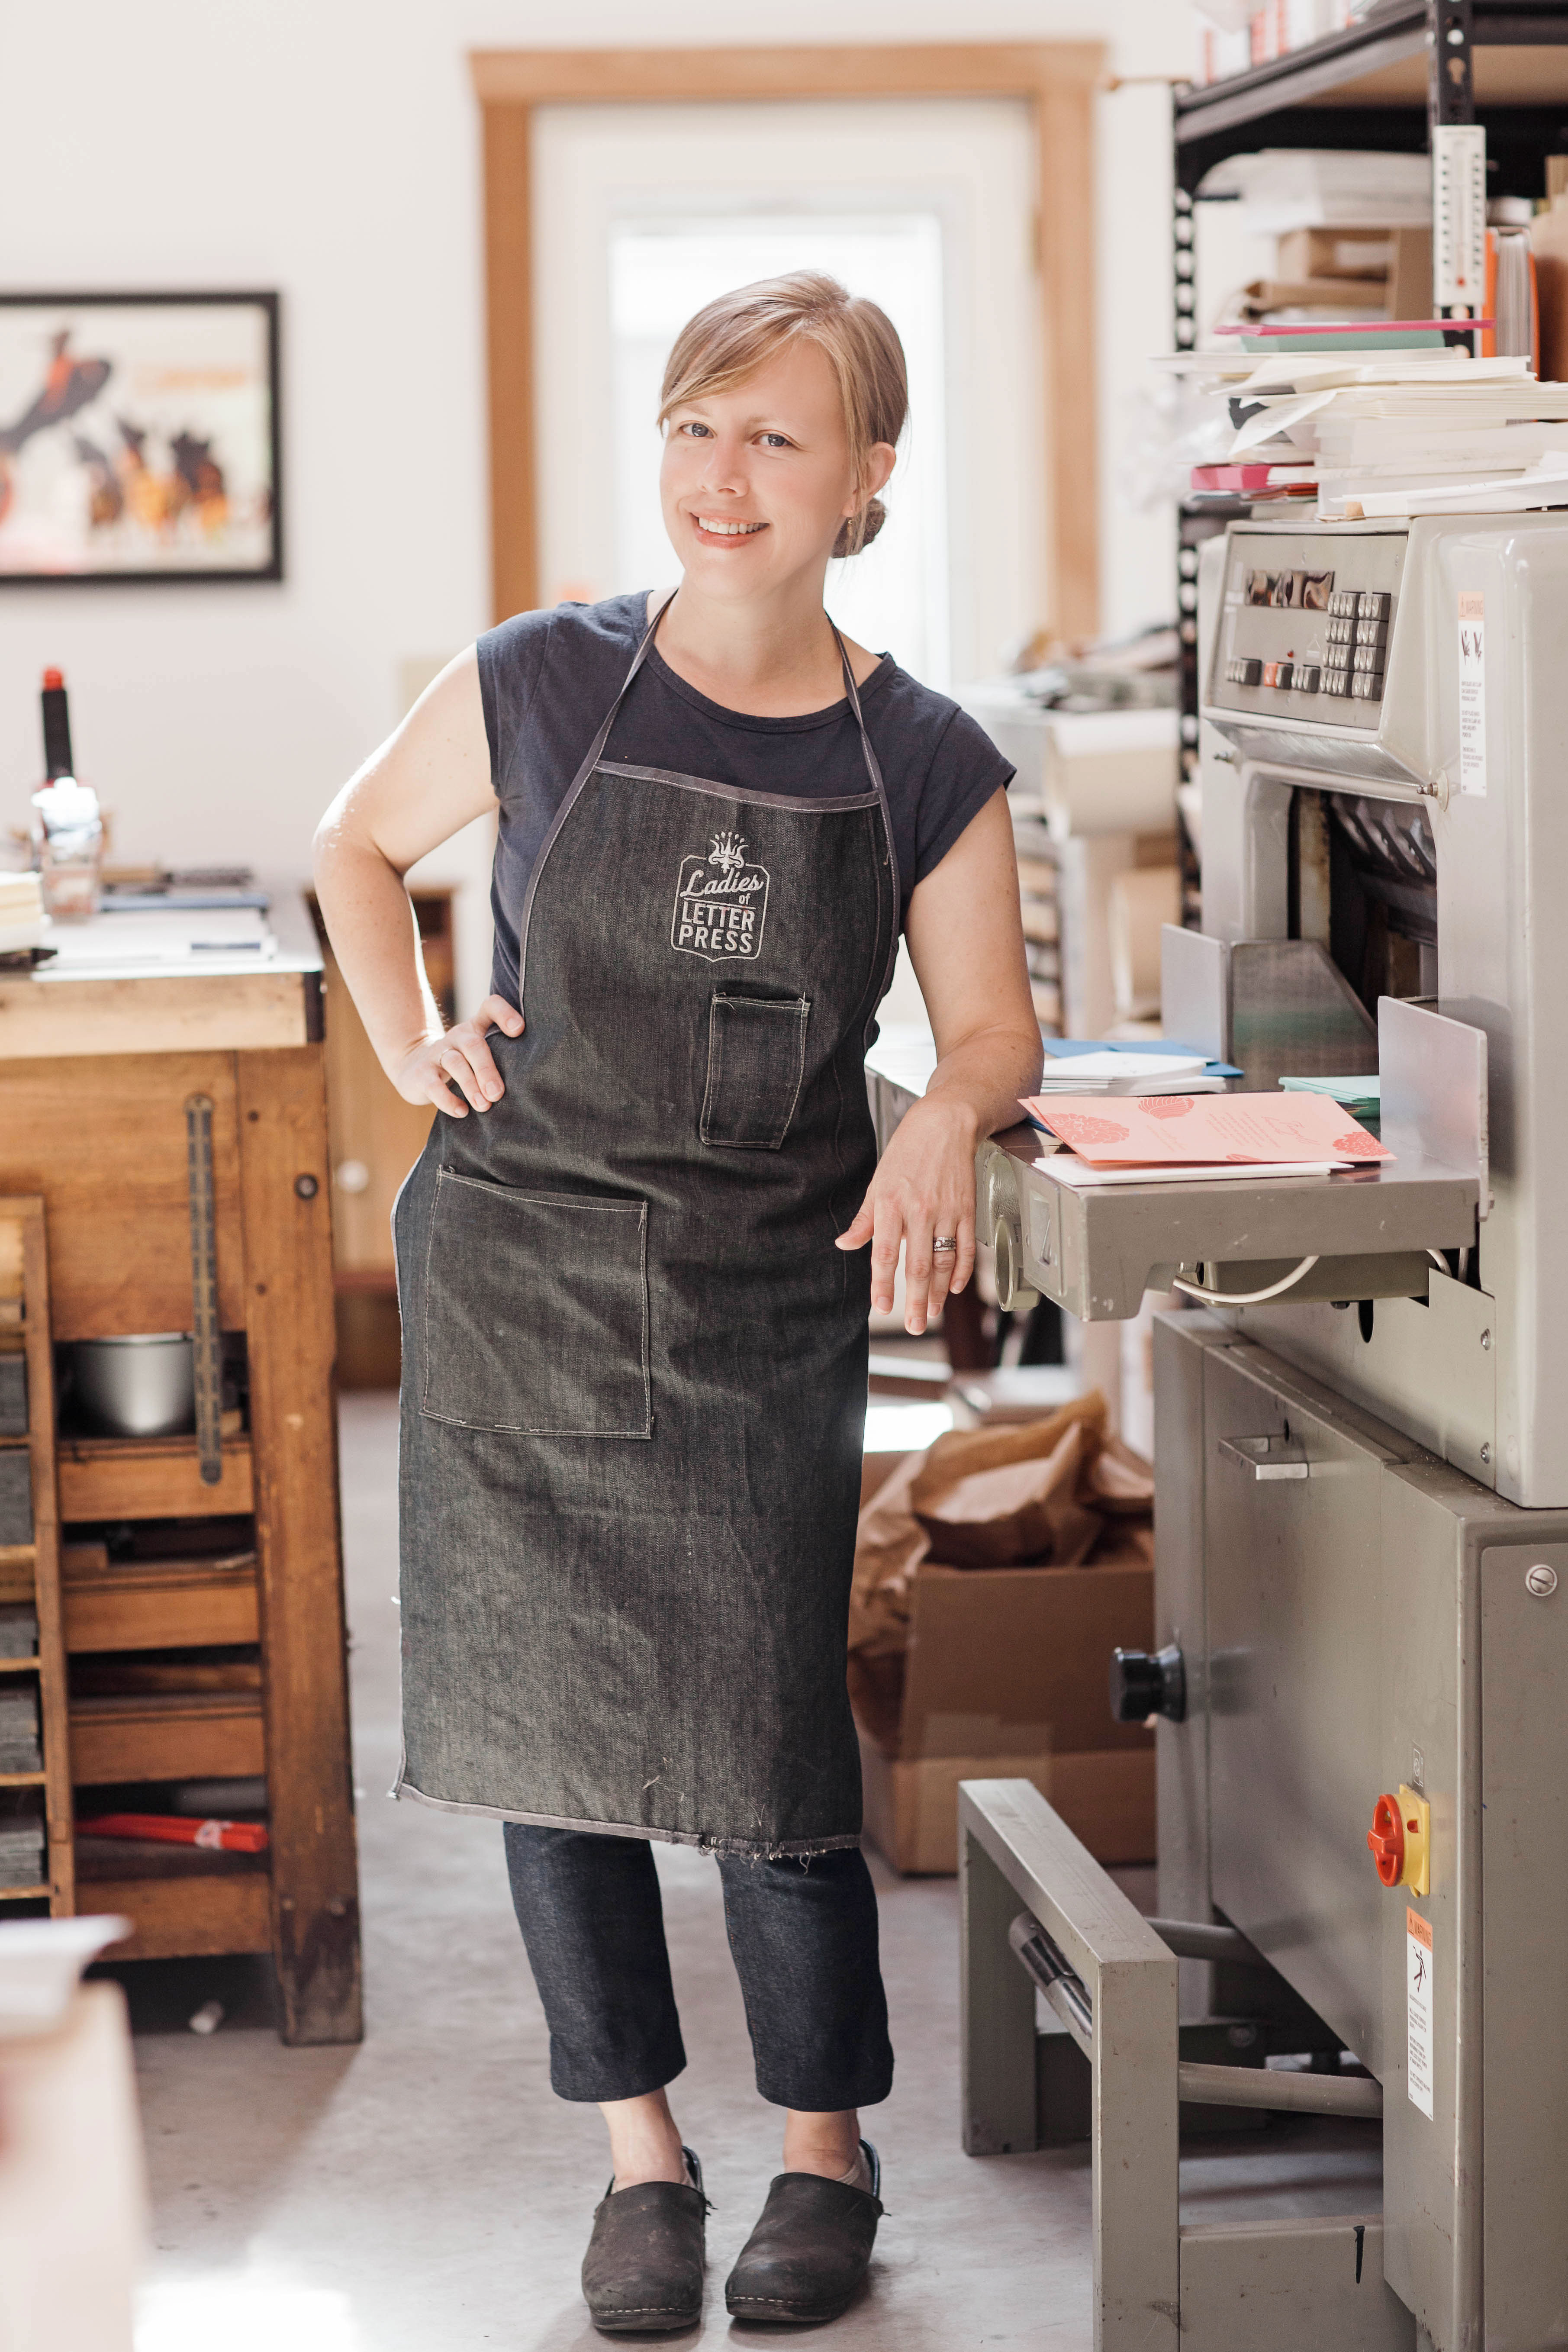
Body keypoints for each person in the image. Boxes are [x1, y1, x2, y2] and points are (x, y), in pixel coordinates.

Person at [313, 271, 1040, 2333]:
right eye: (698, 426)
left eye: (778, 438)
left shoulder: (925, 756)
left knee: (769, 1751)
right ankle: (639, 2153)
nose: (724, 479)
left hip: (755, 1298)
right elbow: (354, 847)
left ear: (866, 478)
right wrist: (409, 1036)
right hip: (521, 1270)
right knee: (559, 1748)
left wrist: (944, 1121)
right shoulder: (542, 677)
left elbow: (993, 1027)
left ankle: (825, 2150)